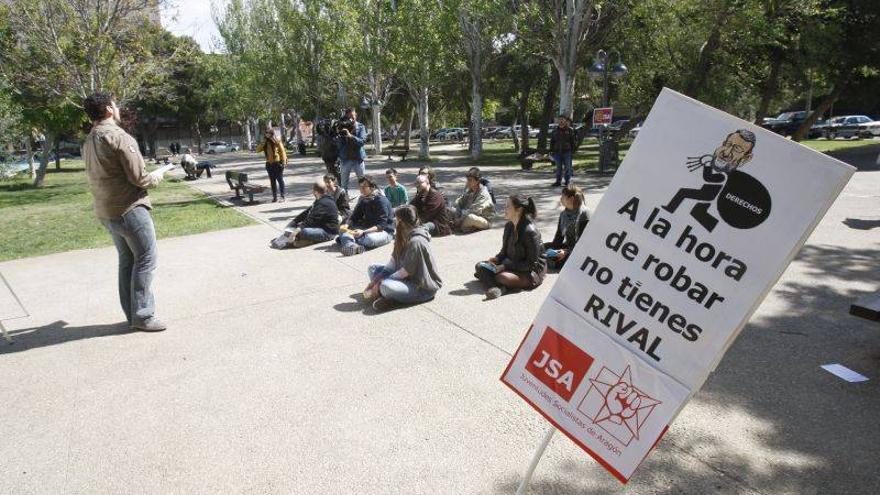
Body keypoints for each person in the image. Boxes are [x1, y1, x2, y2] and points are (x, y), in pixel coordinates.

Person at [81, 92, 168, 332]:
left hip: (107, 210)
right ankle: (143, 315)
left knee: (127, 260)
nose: (118, 109)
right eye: (116, 106)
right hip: (129, 208)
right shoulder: (119, 136)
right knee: (146, 259)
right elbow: (139, 178)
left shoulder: (89, 140)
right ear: (109, 109)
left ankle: (132, 314)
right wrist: (157, 176)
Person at [363, 205, 443, 312]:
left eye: (396, 218)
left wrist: (380, 283)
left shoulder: (416, 241)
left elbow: (405, 272)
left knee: (385, 286)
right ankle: (389, 295)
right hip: (405, 279)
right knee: (372, 269)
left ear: (402, 222)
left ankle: (393, 300)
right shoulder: (402, 235)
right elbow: (392, 263)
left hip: (421, 287)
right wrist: (376, 280)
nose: (394, 220)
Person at [475, 195, 547, 300]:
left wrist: (504, 266)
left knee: (502, 277)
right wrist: (497, 259)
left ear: (519, 210)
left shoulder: (530, 232)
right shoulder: (509, 226)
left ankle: (494, 283)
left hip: (531, 271)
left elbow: (531, 264)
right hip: (512, 264)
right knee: (480, 266)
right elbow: (504, 252)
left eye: (508, 206)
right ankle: (498, 287)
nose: (504, 209)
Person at [272, 180, 340, 249]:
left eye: (313, 190)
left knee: (303, 231)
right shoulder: (322, 199)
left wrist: (295, 232)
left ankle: (306, 241)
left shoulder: (324, 203)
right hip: (320, 227)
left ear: (316, 192)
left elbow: (311, 220)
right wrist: (294, 222)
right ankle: (299, 239)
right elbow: (307, 212)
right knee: (296, 227)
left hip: (328, 233)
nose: (312, 192)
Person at [336, 175, 394, 256]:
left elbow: (382, 225)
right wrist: (346, 225)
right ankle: (354, 246)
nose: (361, 190)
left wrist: (363, 232)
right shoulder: (363, 199)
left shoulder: (381, 200)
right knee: (343, 230)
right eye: (360, 187)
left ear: (372, 187)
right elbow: (354, 217)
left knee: (369, 239)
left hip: (385, 232)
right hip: (368, 230)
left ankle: (347, 241)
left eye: (364, 187)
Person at [544, 185, 590, 269]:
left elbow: (583, 243)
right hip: (568, 247)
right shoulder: (563, 214)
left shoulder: (584, 214)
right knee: (541, 248)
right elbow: (558, 239)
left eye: (563, 196)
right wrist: (553, 250)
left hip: (579, 251)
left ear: (571, 199)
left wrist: (566, 252)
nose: (560, 198)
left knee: (556, 260)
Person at [450, 168, 495, 233]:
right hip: (467, 213)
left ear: (477, 181)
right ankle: (459, 226)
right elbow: (459, 202)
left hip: (483, 219)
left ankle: (458, 226)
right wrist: (456, 215)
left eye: (470, 180)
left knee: (470, 218)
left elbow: (474, 210)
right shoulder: (469, 190)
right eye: (467, 180)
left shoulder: (483, 194)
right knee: (451, 210)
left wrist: (459, 220)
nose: (468, 182)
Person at [334, 108, 368, 191]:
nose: (351, 118)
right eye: (349, 116)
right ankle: (344, 201)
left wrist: (350, 136)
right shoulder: (342, 127)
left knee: (363, 183)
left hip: (358, 159)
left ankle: (365, 200)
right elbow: (338, 145)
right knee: (343, 184)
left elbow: (362, 142)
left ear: (355, 115)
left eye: (353, 116)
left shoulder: (360, 126)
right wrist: (338, 135)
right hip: (345, 159)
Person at [256, 126, 288, 202]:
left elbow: (282, 151)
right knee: (272, 181)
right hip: (269, 164)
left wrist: (283, 162)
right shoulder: (265, 142)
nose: (267, 134)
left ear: (271, 133)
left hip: (277, 163)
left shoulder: (276, 141)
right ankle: (275, 197)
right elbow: (257, 150)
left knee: (280, 180)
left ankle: (282, 197)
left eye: (268, 132)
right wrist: (263, 142)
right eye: (266, 132)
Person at [550, 115, 577, 187]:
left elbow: (573, 141)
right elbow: (552, 141)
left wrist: (573, 151)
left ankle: (567, 181)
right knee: (558, 168)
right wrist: (551, 151)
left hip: (567, 151)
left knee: (568, 167)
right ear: (558, 121)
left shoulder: (570, 130)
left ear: (565, 121)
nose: (561, 121)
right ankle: (558, 181)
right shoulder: (555, 130)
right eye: (560, 120)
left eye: (563, 120)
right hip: (557, 152)